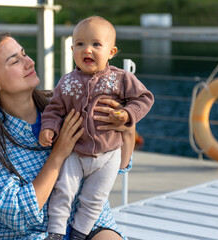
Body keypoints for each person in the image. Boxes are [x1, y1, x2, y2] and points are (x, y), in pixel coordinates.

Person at [0, 32, 136, 240]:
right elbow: (18, 215)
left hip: (88, 223)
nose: (29, 62)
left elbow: (117, 165)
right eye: (15, 61)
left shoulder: (66, 104)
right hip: (32, 235)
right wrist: (58, 155)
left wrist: (126, 127)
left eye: (24, 54)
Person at [39, 16, 154, 240]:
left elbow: (144, 98)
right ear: (72, 49)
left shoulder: (120, 79)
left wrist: (128, 114)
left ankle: (80, 233)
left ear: (112, 52)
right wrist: (49, 127)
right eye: (80, 44)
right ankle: (56, 231)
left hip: (109, 153)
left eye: (96, 44)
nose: (87, 50)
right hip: (76, 151)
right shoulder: (67, 82)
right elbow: (54, 109)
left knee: (95, 197)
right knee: (63, 190)